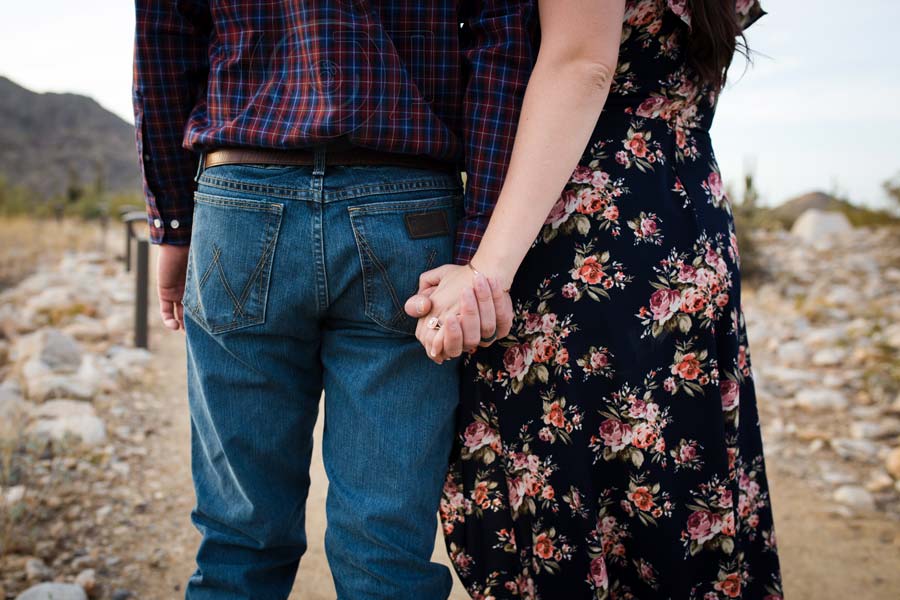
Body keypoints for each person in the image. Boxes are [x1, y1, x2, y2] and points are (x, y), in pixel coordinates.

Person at [132, 1, 533, 597]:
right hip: (408, 213)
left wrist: (172, 224)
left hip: (241, 197)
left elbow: (165, 36)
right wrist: (478, 246)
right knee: (384, 550)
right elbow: (502, 42)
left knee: (238, 540)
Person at [406, 0, 784, 597]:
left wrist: (486, 273)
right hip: (684, 216)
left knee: (579, 519)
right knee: (673, 511)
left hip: (586, 233)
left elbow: (583, 63)